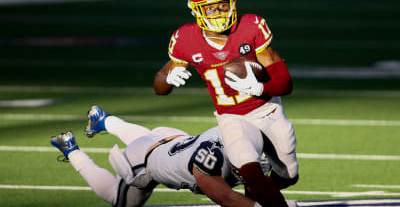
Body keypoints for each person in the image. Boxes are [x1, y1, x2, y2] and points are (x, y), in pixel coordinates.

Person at [153, 0, 299, 206]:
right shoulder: (185, 39)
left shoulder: (251, 26)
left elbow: (286, 83)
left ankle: (258, 194)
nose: (219, 13)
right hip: (232, 116)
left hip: (267, 109)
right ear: (196, 10)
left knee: (289, 176)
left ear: (232, 2)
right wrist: (168, 79)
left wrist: (260, 88)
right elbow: (159, 87)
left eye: (222, 5)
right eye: (210, 8)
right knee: (250, 168)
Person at [50, 105, 283, 207]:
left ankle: (103, 120)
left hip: (171, 140)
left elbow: (255, 190)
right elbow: (226, 199)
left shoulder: (238, 139)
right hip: (144, 162)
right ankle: (71, 149)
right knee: (120, 201)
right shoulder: (208, 162)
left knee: (149, 140)